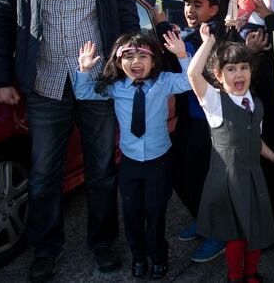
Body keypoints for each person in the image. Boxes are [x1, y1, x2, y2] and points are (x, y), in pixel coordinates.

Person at [0, 0, 139, 282]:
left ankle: (102, 243)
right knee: (43, 175)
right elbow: (2, 17)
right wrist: (1, 77)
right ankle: (45, 249)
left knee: (103, 171)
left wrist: (127, 66)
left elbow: (125, 16)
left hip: (98, 84)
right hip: (45, 84)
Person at [74, 32, 190, 279]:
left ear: (154, 60)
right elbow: (83, 94)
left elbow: (189, 81)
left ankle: (158, 257)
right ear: (118, 62)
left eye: (142, 56)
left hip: (159, 162)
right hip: (130, 163)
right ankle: (138, 257)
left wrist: (182, 55)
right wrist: (83, 70)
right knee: (131, 214)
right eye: (128, 56)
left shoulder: (164, 81)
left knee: (156, 212)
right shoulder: (115, 87)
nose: (135, 62)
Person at [187, 24, 274, 283]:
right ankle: (235, 276)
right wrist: (207, 42)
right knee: (236, 235)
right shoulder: (215, 101)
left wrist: (272, 155)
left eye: (244, 67)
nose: (239, 74)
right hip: (228, 181)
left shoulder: (256, 103)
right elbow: (193, 74)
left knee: (256, 231)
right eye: (231, 69)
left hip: (253, 177)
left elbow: (255, 138)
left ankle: (251, 273)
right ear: (218, 76)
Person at [156, 0, 227, 263]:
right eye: (187, 3)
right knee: (178, 174)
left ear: (213, 9)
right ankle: (202, 219)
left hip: (210, 123)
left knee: (200, 177)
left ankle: (218, 233)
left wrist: (161, 24)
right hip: (188, 119)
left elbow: (208, 72)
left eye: (197, 4)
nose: (189, 9)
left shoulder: (217, 37)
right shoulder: (190, 34)